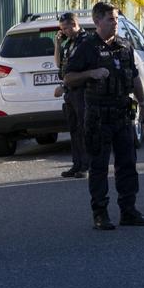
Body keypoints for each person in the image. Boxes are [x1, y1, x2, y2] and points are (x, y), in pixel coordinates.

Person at [63, 1, 144, 231]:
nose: (115, 23)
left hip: (123, 113)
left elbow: (133, 77)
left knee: (128, 164)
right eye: (110, 19)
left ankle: (129, 211)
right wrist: (91, 73)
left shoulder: (124, 46)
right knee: (99, 166)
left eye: (116, 19)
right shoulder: (87, 47)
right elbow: (69, 77)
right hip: (98, 116)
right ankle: (100, 213)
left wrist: (143, 105)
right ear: (97, 21)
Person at [54, 12, 89, 179]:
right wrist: (58, 44)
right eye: (62, 29)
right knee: (74, 130)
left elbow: (79, 70)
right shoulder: (69, 43)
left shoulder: (85, 42)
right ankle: (76, 164)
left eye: (66, 28)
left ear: (75, 24)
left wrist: (63, 85)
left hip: (82, 91)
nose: (64, 31)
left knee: (84, 129)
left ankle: (86, 166)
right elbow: (58, 64)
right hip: (70, 93)